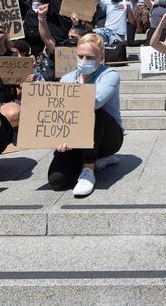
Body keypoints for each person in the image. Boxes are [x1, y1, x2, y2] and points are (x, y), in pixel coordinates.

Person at [51, 33, 124, 197]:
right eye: (80, 56)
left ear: (101, 58)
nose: (84, 60)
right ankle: (99, 162)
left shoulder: (110, 75)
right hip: (76, 136)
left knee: (91, 108)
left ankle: (89, 169)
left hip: (106, 137)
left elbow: (94, 103)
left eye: (90, 57)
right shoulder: (66, 79)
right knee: (56, 180)